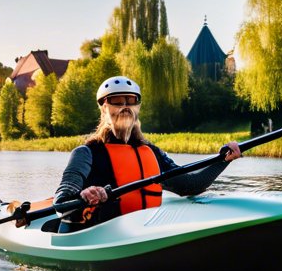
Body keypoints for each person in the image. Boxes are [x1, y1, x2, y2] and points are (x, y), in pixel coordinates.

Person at [13, 75, 242, 231]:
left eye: (131, 101)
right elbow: (62, 201)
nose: (125, 107)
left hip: (140, 232)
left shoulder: (151, 152)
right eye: (116, 101)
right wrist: (85, 194)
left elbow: (189, 186)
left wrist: (222, 160)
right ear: (104, 107)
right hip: (90, 233)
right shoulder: (86, 152)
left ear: (138, 108)